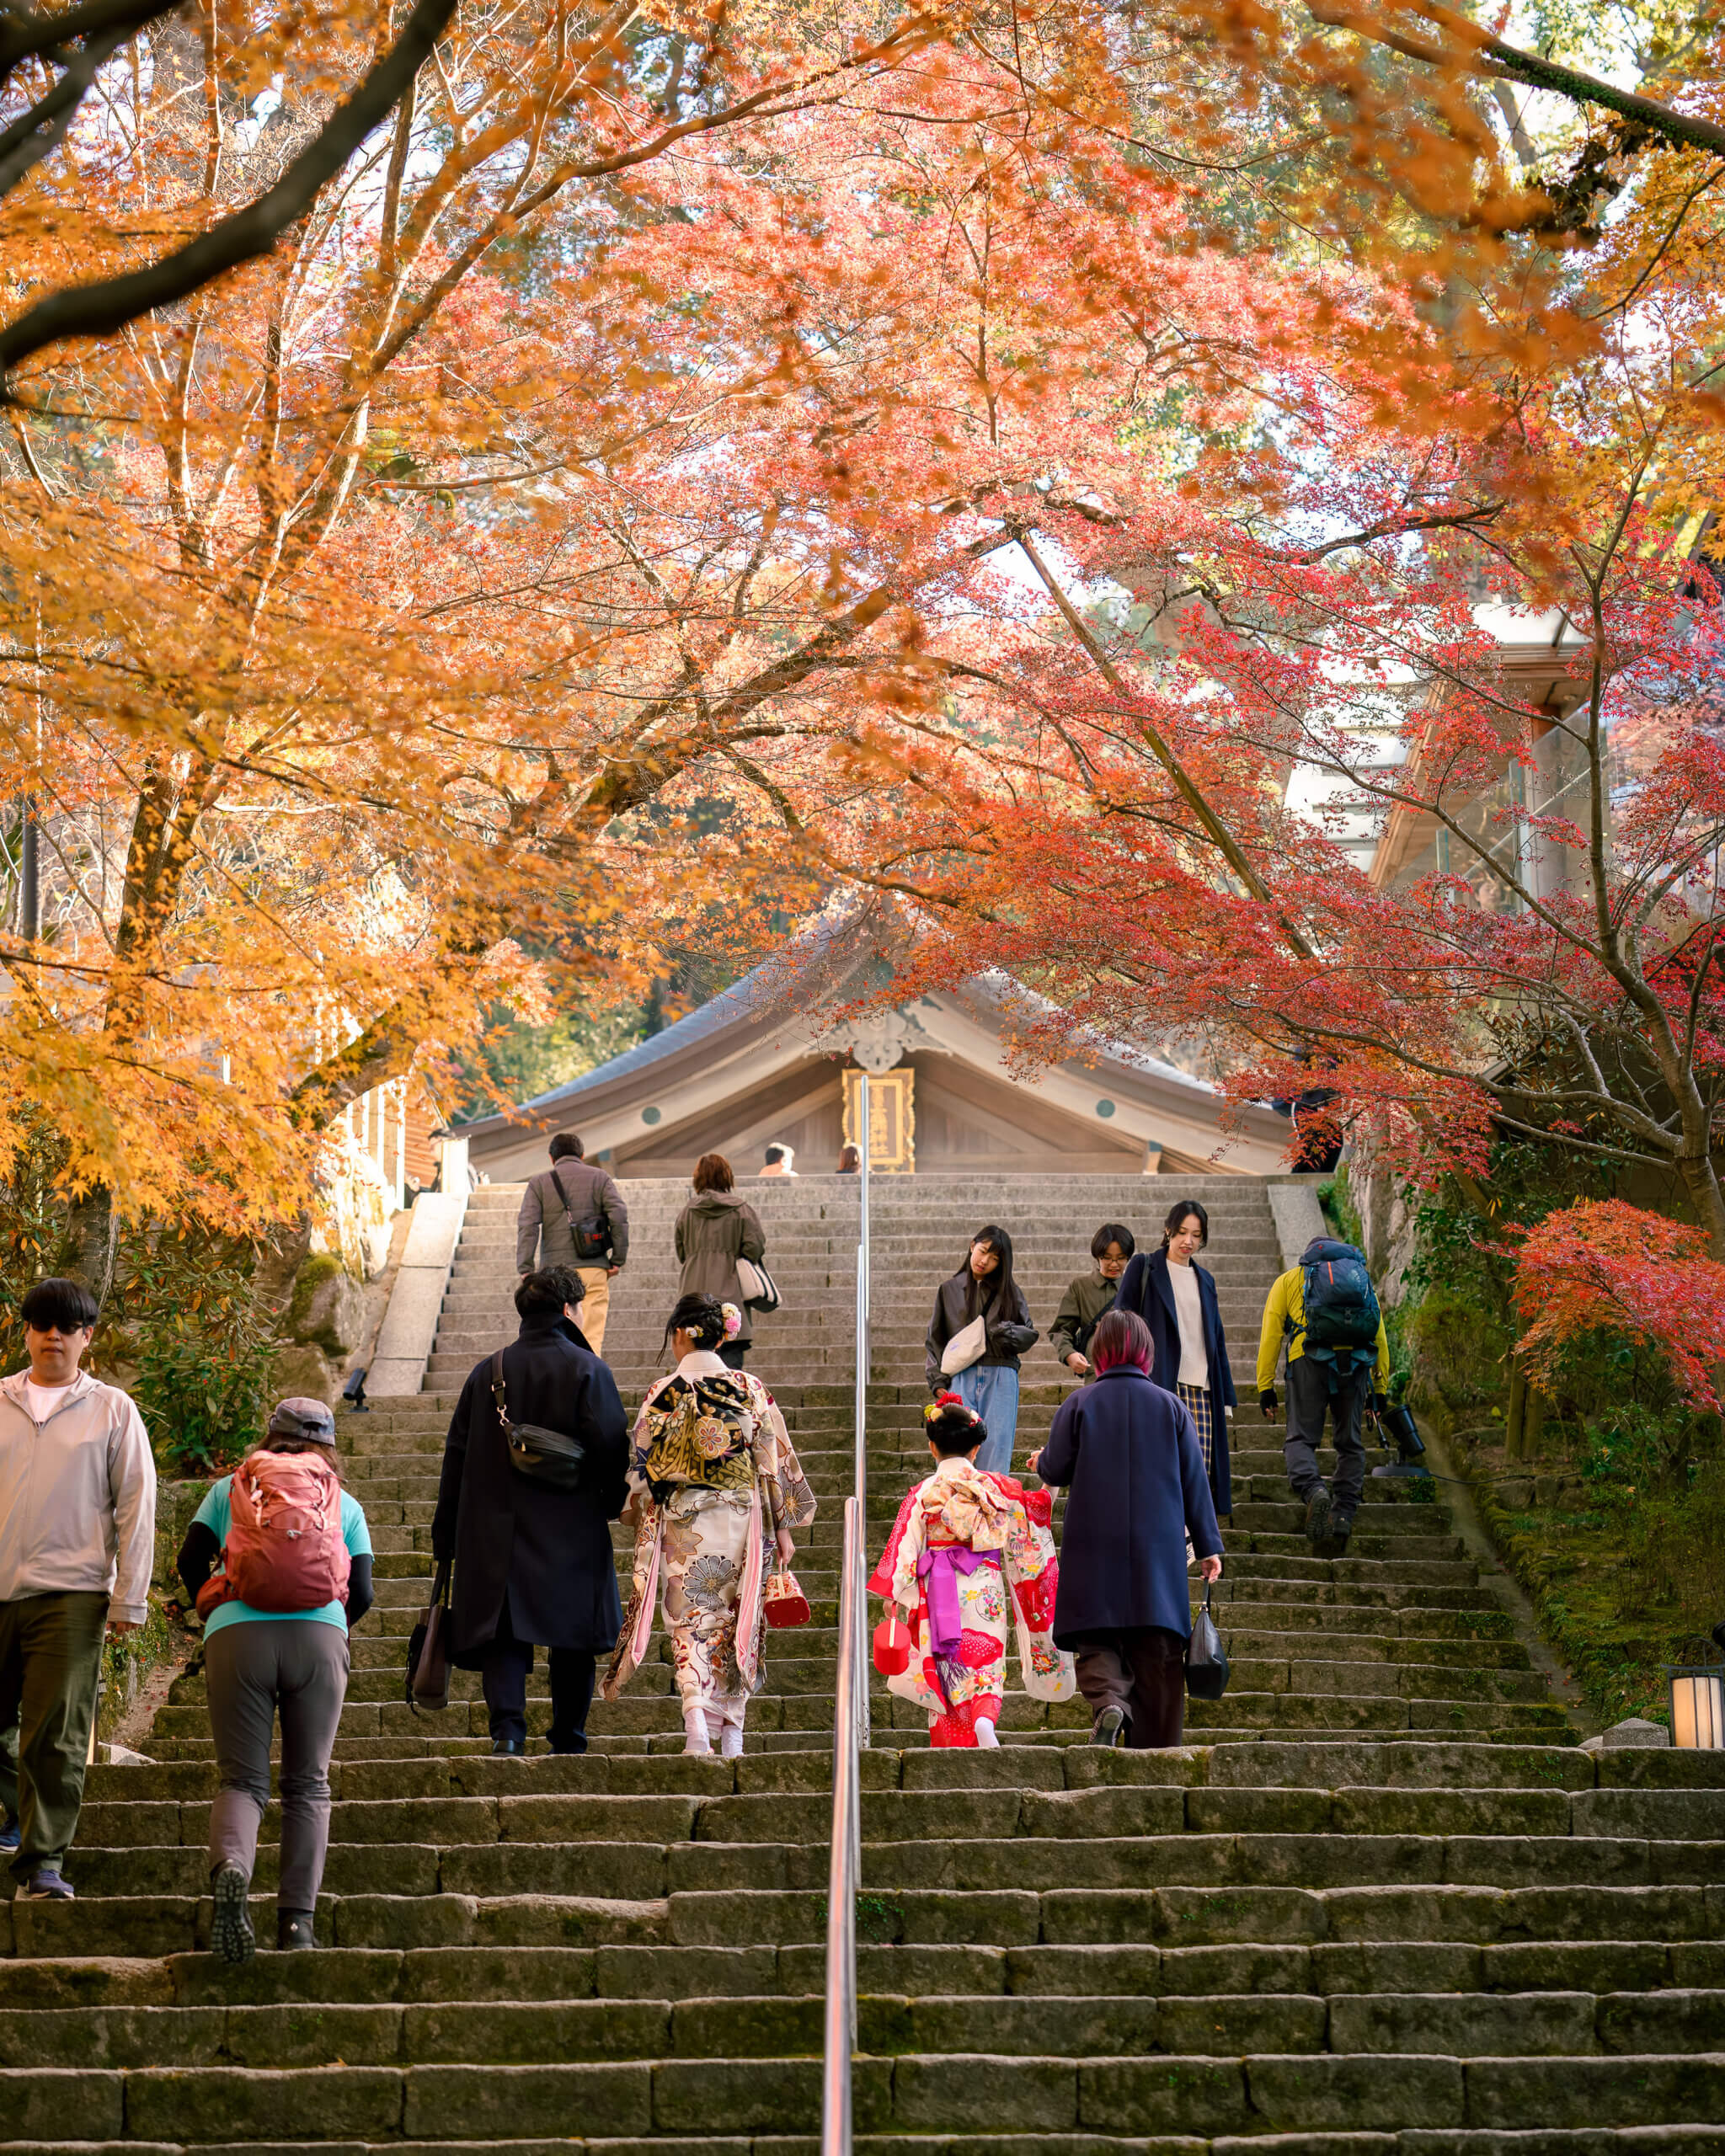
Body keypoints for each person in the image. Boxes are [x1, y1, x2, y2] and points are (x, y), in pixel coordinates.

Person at [175, 1397, 372, 1959]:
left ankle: (233, 1869)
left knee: (242, 1781)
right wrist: (331, 1625)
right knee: (308, 1783)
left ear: (269, 1438)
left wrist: (213, 1612)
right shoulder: (342, 1501)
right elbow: (365, 1592)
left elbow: (192, 1561)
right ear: (328, 1446)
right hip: (318, 1640)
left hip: (237, 1636)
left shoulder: (231, 1490)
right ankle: (296, 1926)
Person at [605, 1294, 815, 1756]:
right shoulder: (749, 1387)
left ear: (681, 1333)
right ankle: (733, 1732)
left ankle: (697, 1723)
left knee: (689, 1621)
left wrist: (637, 1515)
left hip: (682, 1522)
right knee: (740, 1617)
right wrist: (784, 1527)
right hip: (742, 1517)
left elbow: (640, 1470)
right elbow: (774, 1459)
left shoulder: (662, 1392)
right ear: (723, 1335)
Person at [0, 1277, 156, 1902]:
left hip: (71, 1595)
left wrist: (130, 1600)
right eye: (42, 1325)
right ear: (27, 1332)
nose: (53, 1337)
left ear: (87, 1337)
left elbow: (137, 1508)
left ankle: (42, 1864)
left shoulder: (112, 1409)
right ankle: (20, 1812)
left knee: (56, 1734)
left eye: (67, 1327)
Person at [434, 1267, 629, 1758]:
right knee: (573, 1632)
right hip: (571, 1524)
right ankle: (569, 1735)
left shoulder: (487, 1372)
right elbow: (611, 1446)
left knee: (504, 1629)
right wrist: (608, 1503)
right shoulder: (589, 1369)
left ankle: (508, 1732)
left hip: (493, 1527)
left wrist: (447, 1532)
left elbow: (455, 1454)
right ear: (568, 1310)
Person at [1029, 1310, 1224, 1750]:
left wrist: (1040, 1461)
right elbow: (1195, 1480)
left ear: (1099, 1353)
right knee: (1157, 1652)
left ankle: (1110, 1701)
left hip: (1094, 1544)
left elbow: (1056, 1468)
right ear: (1146, 1353)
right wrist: (1209, 1546)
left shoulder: (1078, 1404)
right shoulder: (1172, 1406)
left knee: (1098, 1639)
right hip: (1157, 1551)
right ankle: (1156, 1751)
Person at [869, 1391, 1073, 1748]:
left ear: (933, 1447)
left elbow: (905, 1548)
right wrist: (1049, 1476)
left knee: (946, 1667)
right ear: (975, 1450)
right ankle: (984, 1720)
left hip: (936, 1589)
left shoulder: (921, 1493)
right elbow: (1038, 1510)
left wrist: (895, 1596)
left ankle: (951, 1744)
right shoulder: (996, 1486)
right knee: (986, 1663)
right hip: (984, 1587)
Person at [1258, 1234, 1391, 1554]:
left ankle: (1314, 1489)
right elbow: (1379, 1334)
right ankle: (1343, 1512)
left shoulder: (1290, 1279)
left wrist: (1266, 1387)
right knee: (1350, 1442)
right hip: (1357, 1363)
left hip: (1308, 1361)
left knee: (1301, 1438)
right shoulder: (1358, 1278)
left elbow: (1271, 1334)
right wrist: (1381, 1390)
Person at [1117, 1199, 1237, 1518]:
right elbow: (1121, 1320)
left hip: (1203, 1388)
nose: (1188, 1241)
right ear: (1168, 1230)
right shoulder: (1144, 1267)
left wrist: (1225, 1394)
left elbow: (1217, 1338)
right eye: (1182, 1232)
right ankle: (1163, 1536)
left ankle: (1188, 1543)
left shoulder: (1206, 1280)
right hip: (1159, 1383)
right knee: (1161, 1466)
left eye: (1196, 1235)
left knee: (1198, 1469)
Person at [923, 1225, 1037, 1476]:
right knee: (955, 1454)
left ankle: (993, 1513)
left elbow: (1029, 1333)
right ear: (972, 1245)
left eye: (995, 1258)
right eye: (983, 1251)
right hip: (961, 1376)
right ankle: (956, 1513)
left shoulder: (1010, 1292)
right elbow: (935, 1339)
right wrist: (938, 1381)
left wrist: (1004, 1332)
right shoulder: (949, 1289)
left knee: (996, 1454)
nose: (985, 1261)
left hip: (1001, 1375)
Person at [515, 1132, 629, 1356]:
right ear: (582, 1155)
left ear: (551, 1158)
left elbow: (527, 1226)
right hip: (593, 1267)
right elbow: (619, 1216)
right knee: (591, 1335)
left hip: (552, 1276)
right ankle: (587, 1379)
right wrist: (617, 1259)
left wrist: (526, 1269)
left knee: (553, 1333)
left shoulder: (539, 1183)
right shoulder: (600, 1178)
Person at [675, 1153, 767, 1369]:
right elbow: (755, 1248)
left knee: (694, 1355)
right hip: (730, 1293)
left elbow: (681, 1252)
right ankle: (727, 1401)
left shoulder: (687, 1212)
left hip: (693, 1293)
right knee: (731, 1358)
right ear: (727, 1176)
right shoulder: (741, 1209)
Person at [1049, 1224, 1135, 1380]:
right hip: (1095, 1373)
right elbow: (1061, 1329)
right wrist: (1069, 1354)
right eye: (1107, 1258)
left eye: (1121, 1258)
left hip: (1131, 1372)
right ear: (1097, 1256)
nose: (1114, 1264)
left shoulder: (1136, 1287)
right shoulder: (1081, 1287)